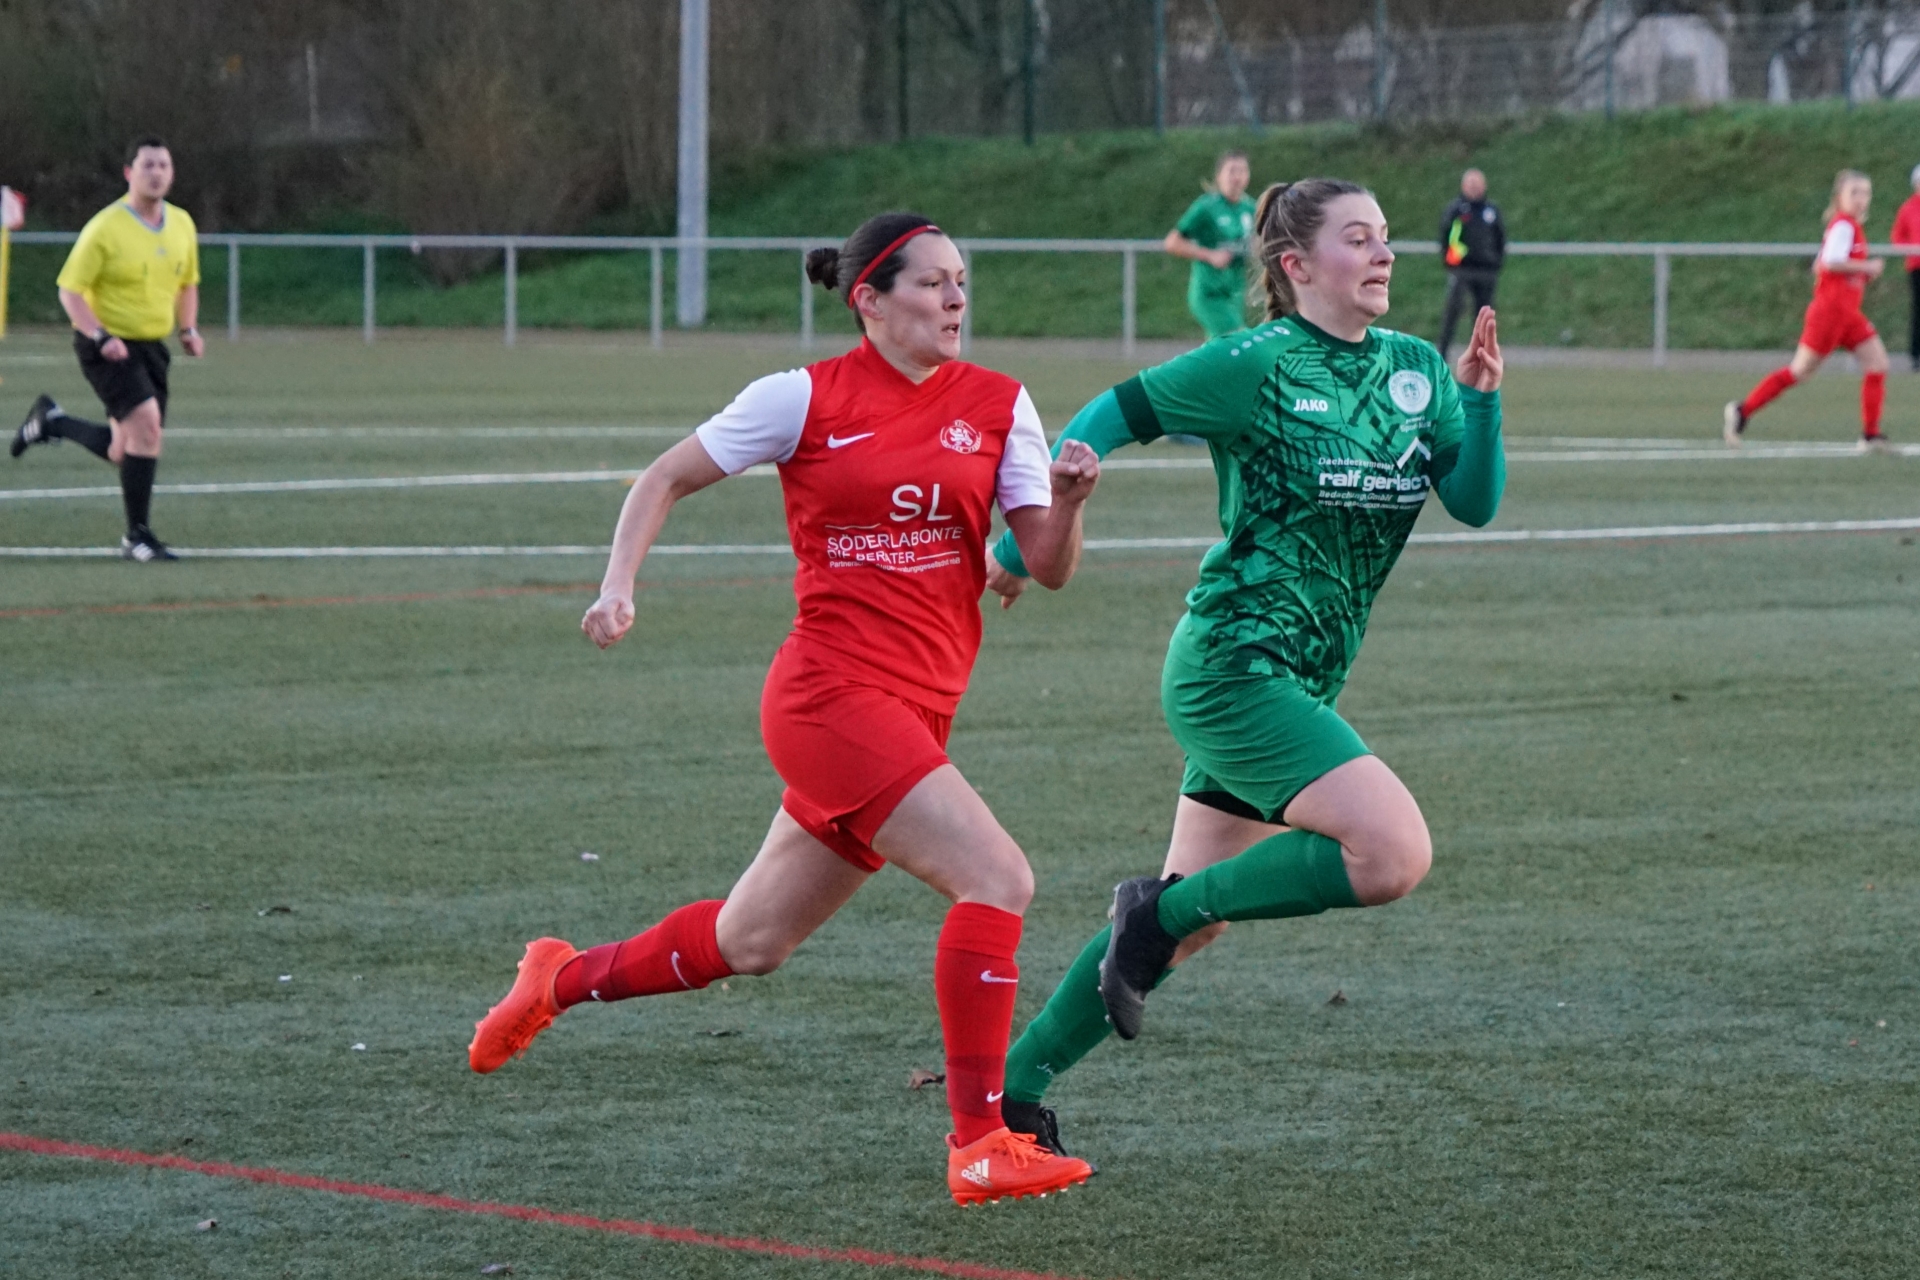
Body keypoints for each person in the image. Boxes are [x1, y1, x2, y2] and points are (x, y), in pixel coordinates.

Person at [467, 212, 1100, 1206]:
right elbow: (665, 476)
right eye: (932, 283)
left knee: (750, 941)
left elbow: (1047, 565)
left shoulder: (999, 403)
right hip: (828, 698)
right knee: (997, 877)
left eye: (961, 281)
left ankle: (557, 977)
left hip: (920, 708)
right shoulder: (802, 397)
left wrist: (1067, 502)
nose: (955, 299)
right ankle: (980, 1141)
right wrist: (617, 584)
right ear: (869, 299)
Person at [980, 179, 1506, 1160]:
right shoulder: (1254, 364)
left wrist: (1478, 397)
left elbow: (1474, 500)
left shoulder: (1414, 370)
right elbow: (1109, 414)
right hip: (1231, 667)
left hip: (1303, 678)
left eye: (1387, 238)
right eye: (1359, 238)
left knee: (1194, 921)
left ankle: (1011, 1095)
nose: (1385, 254)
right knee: (1390, 853)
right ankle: (1155, 912)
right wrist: (1023, 539)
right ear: (1297, 265)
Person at [9, 136, 205, 561]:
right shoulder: (105, 227)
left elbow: (188, 282)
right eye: (148, 165)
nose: (156, 173)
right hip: (106, 345)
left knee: (125, 449)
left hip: (152, 348)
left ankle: (53, 423)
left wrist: (188, 328)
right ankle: (137, 536)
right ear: (129, 173)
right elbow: (69, 291)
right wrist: (100, 336)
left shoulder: (182, 224)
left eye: (164, 165)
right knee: (147, 426)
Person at [1725, 169, 1892, 453]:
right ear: (1839, 197)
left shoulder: (1850, 227)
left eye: (1866, 193)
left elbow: (1820, 264)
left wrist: (1856, 274)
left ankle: (1870, 435)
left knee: (1877, 364)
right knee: (1799, 372)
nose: (1861, 199)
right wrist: (1866, 267)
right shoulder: (1844, 226)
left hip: (1847, 314)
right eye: (1854, 192)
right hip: (1830, 314)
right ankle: (1743, 410)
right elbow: (1831, 261)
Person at [1165, 151, 1257, 339]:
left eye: (1242, 171)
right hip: (1210, 294)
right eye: (1232, 171)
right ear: (1219, 176)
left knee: (1221, 349)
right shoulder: (1207, 207)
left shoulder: (1251, 208)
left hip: (1235, 294)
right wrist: (1210, 255)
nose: (1237, 176)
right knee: (1239, 339)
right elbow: (1172, 242)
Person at [1436, 168, 1505, 361]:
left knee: (1484, 317)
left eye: (1477, 184)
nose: (1474, 188)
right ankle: (1442, 354)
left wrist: (1496, 262)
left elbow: (1500, 238)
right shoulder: (1456, 211)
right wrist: (1450, 261)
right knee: (1453, 311)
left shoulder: (1491, 211)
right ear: (1464, 186)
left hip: (1486, 270)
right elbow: (1445, 237)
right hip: (1462, 269)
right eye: (1471, 184)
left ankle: (1483, 356)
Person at [1890, 164, 1920, 372]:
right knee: (1918, 310)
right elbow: (1898, 237)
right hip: (1917, 267)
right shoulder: (1908, 208)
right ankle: (1916, 355)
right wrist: (1911, 251)